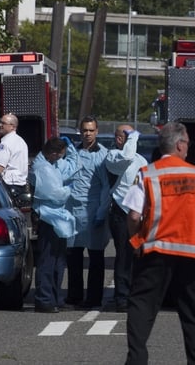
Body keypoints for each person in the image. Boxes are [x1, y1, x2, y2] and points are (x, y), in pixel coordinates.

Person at [122, 121, 195, 365]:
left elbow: (134, 215)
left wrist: (136, 242)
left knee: (142, 306)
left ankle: (137, 359)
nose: (188, 147)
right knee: (194, 314)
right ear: (179, 145)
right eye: (187, 143)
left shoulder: (149, 174)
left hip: (156, 251)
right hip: (192, 254)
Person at [65, 116, 111, 309]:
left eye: (91, 130)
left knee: (95, 257)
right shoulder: (72, 152)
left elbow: (106, 187)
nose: (88, 134)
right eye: (85, 130)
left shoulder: (103, 155)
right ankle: (74, 295)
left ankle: (93, 298)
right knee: (73, 256)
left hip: (92, 210)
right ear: (80, 131)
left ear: (97, 131)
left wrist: (101, 212)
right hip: (72, 211)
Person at [30, 137, 77, 313]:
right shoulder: (43, 168)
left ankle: (55, 298)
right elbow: (56, 194)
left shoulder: (51, 164)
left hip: (55, 218)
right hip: (47, 218)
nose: (61, 158)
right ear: (54, 153)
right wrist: (69, 189)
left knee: (58, 261)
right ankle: (44, 299)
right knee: (47, 261)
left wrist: (72, 150)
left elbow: (71, 168)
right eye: (61, 154)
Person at [104, 124, 148, 312]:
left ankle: (136, 293)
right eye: (123, 135)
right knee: (124, 254)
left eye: (128, 135)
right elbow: (126, 158)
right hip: (121, 212)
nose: (123, 138)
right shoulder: (112, 156)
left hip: (139, 213)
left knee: (138, 254)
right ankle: (122, 297)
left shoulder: (141, 160)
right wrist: (133, 136)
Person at [0, 113, 29, 197]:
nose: (0, 125)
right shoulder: (21, 141)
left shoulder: (5, 143)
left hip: (8, 185)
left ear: (12, 126)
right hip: (21, 185)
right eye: (0, 122)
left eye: (3, 123)